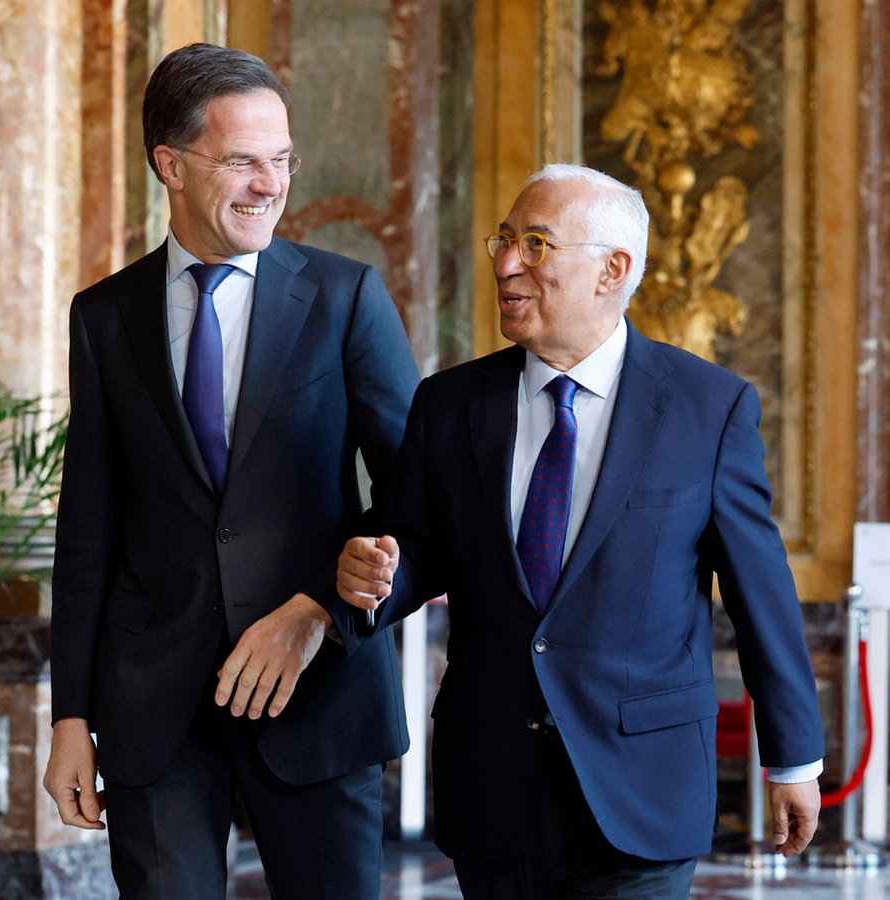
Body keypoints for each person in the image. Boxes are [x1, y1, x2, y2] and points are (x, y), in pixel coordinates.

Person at [337, 163, 824, 898]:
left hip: (641, 790)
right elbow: (418, 545)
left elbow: (761, 593)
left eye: (536, 244)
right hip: (493, 787)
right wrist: (373, 577)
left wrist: (793, 759)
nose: (505, 264)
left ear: (612, 270)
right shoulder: (450, 404)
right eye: (505, 239)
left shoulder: (708, 408)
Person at [42, 42, 419, 899]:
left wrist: (320, 609)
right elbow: (88, 527)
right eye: (242, 160)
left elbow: (418, 492)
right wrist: (70, 719)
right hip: (153, 714)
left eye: (281, 159)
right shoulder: (104, 318)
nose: (270, 183)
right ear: (169, 164)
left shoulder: (345, 297)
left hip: (319, 694)